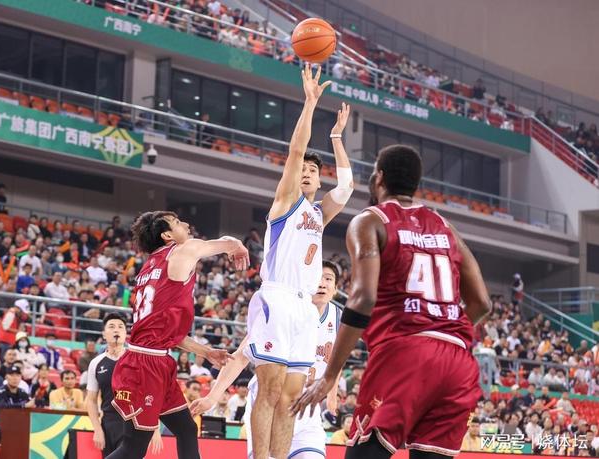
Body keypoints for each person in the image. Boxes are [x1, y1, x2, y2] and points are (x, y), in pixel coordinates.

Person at [291, 144, 491, 459]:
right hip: (458, 362)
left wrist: (330, 376)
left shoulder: (370, 220)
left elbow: (363, 298)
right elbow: (482, 302)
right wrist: (442, 329)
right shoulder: (444, 226)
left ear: (379, 178)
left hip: (406, 352)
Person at [243, 64, 353, 459]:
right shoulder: (285, 202)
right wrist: (310, 104)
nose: (306, 172)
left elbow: (347, 186)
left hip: (305, 308)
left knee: (291, 396)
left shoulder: (319, 213)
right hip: (277, 298)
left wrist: (337, 137)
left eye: (312, 170)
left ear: (319, 180)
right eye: (302, 169)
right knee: (270, 390)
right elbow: (294, 151)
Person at [106, 210, 249, 459]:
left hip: (154, 358)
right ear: (167, 235)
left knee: (186, 429)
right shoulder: (183, 250)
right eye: (177, 222)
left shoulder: (148, 268)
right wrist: (238, 246)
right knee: (134, 446)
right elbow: (226, 243)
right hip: (145, 365)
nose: (185, 224)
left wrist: (206, 352)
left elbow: (167, 332)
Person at [191, 262, 343, 458]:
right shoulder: (283, 311)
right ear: (305, 282)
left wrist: (332, 396)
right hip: (270, 402)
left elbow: (337, 360)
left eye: (328, 279)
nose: (322, 283)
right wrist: (212, 397)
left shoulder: (339, 318)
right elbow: (240, 358)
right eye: (317, 278)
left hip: (306, 409)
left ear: (336, 289)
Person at [86, 313, 127, 456]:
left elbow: (148, 395)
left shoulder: (136, 360)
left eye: (121, 327)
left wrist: (153, 428)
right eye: (112, 326)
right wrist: (97, 429)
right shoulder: (96, 363)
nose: (116, 330)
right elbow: (91, 400)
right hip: (108, 424)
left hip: (132, 424)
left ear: (125, 333)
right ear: (104, 334)